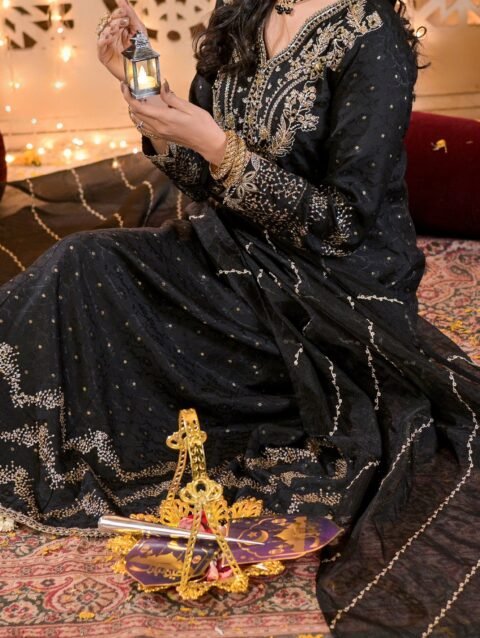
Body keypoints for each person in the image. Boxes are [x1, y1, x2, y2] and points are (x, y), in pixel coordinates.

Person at [1, 0, 478, 634]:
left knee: (101, 294)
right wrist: (153, 102)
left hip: (327, 292)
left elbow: (342, 222)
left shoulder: (372, 36)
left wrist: (216, 143)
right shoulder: (241, 12)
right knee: (83, 262)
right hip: (229, 250)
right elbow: (203, 180)